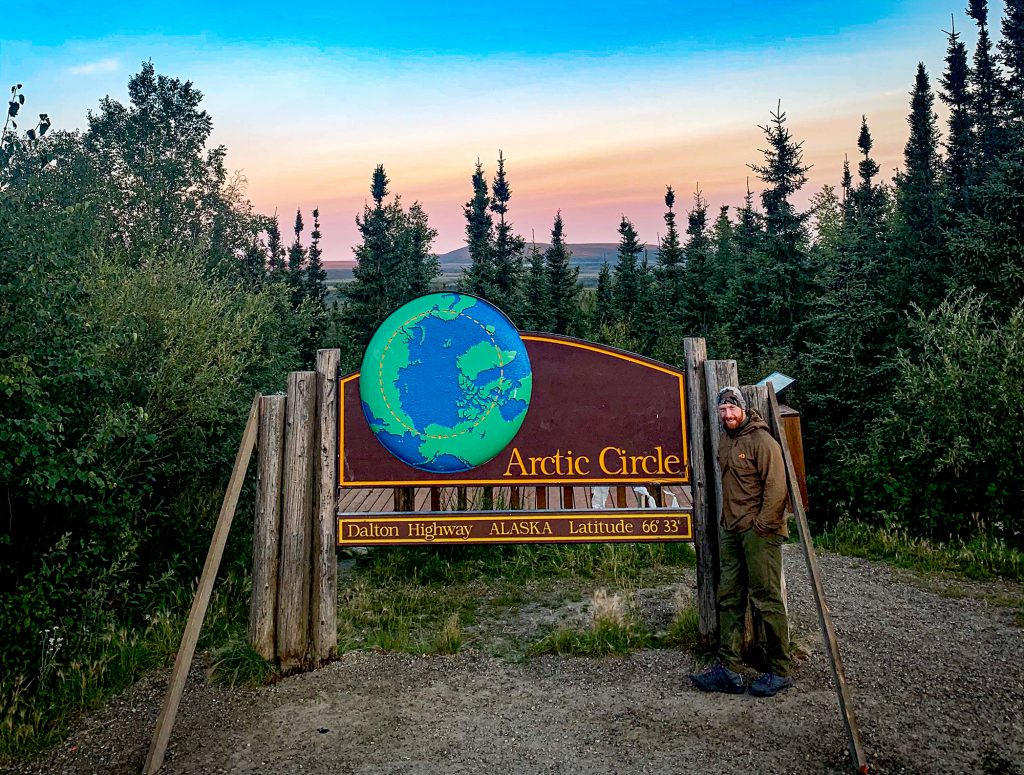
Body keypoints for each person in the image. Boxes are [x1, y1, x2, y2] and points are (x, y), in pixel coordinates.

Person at [690, 386, 794, 697]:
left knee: (766, 599)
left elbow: (777, 488)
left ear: (743, 408)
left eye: (731, 409)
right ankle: (729, 669)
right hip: (731, 529)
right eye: (722, 410)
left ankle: (779, 670)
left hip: (759, 531)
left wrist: (761, 526)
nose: (727, 415)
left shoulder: (762, 441)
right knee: (729, 598)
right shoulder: (726, 438)